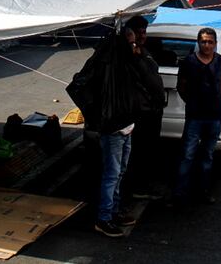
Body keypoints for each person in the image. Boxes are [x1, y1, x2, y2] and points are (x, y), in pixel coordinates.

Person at [65, 27, 143, 238]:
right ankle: (104, 217)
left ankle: (114, 212)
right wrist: (98, 116)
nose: (135, 47)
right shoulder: (106, 66)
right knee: (112, 174)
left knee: (119, 172)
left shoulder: (123, 65)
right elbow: (79, 86)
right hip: (114, 129)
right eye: (132, 43)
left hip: (126, 126)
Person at [173, 27, 221, 206]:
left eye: (210, 42)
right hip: (195, 117)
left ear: (215, 44)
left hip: (214, 117)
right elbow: (181, 86)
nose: (207, 45)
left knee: (207, 156)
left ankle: (203, 191)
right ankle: (180, 194)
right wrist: (192, 102)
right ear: (198, 43)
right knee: (187, 155)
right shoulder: (188, 62)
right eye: (203, 41)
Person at [123, 15, 167, 201]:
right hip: (140, 114)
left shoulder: (144, 51)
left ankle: (142, 185)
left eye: (144, 32)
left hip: (153, 112)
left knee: (148, 152)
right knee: (137, 153)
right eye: (138, 32)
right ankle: (133, 189)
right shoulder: (129, 55)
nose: (142, 35)